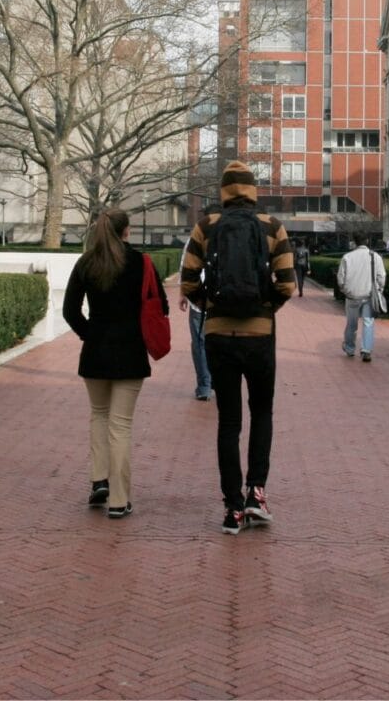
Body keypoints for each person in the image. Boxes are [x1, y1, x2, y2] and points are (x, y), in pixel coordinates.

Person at [181, 161, 295, 535]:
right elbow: (286, 283)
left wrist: (211, 306)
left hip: (218, 335)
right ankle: (255, 495)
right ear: (253, 190)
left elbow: (187, 282)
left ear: (224, 192)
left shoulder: (206, 226)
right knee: (262, 413)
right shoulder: (271, 227)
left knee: (229, 422)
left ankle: (231, 508)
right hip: (260, 336)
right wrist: (266, 308)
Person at [63, 207, 168, 519]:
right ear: (127, 231)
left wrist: (90, 334)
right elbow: (160, 304)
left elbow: (70, 311)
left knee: (98, 416)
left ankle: (99, 481)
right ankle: (119, 500)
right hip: (130, 352)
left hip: (95, 352)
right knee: (120, 424)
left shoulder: (86, 262)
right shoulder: (141, 262)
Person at [336, 233, 386, 363]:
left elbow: (341, 278)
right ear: (367, 241)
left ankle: (349, 348)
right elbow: (381, 277)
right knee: (368, 322)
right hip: (369, 295)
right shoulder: (375, 257)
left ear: (355, 242)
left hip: (352, 296)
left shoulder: (347, 257)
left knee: (351, 324)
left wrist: (345, 290)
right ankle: (366, 350)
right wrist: (379, 290)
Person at [178, 236, 213, 401]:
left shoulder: (196, 236)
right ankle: (214, 382)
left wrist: (183, 293)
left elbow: (186, 266)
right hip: (224, 300)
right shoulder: (233, 232)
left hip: (199, 298)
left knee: (200, 342)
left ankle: (205, 385)